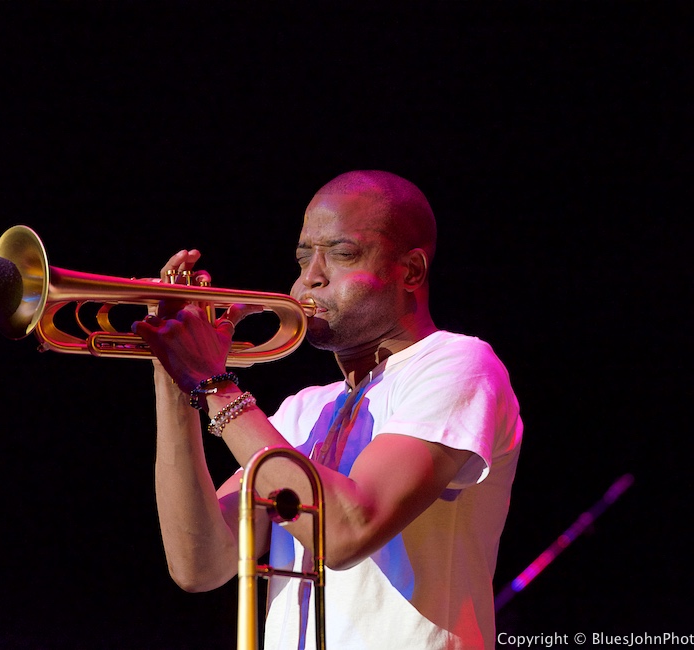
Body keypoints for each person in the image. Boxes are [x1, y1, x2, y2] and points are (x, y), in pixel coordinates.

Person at [133, 170, 523, 650]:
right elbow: (200, 564)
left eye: (341, 254)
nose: (310, 276)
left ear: (412, 271)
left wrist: (214, 383)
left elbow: (345, 533)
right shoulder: (302, 411)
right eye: (303, 257)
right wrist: (174, 380)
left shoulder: (457, 364)